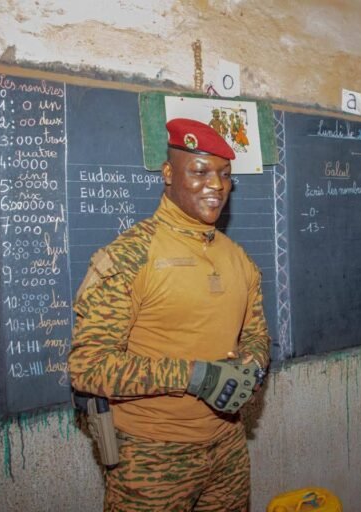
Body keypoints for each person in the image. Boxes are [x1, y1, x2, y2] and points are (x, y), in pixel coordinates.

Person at [68, 118, 270, 511]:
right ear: (167, 174)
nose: (216, 185)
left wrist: (254, 364)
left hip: (228, 446)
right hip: (151, 457)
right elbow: (88, 368)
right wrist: (195, 376)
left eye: (225, 175)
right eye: (199, 171)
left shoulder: (237, 258)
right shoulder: (129, 256)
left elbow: (257, 333)